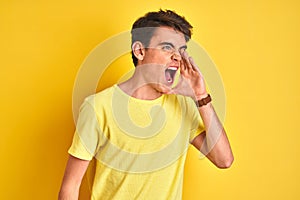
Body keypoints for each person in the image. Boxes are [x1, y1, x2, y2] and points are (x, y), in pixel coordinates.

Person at [58, 9, 233, 200]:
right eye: (167, 47)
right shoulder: (98, 106)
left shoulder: (184, 105)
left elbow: (223, 160)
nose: (177, 56)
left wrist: (201, 96)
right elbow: (70, 187)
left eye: (181, 50)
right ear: (140, 51)